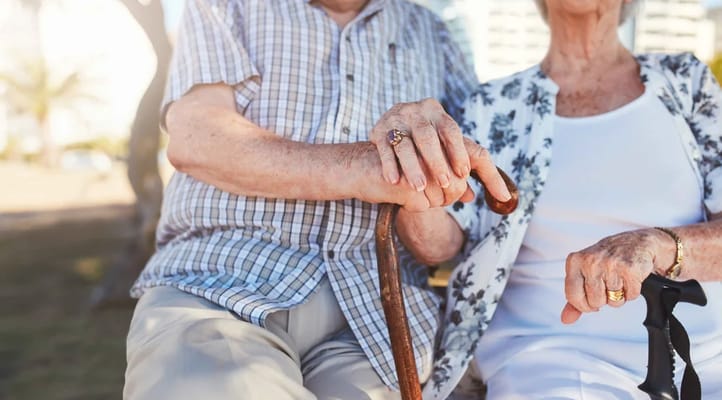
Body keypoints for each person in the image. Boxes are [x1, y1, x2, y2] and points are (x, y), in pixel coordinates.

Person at [122, 1, 512, 399]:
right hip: (221, 285)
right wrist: (363, 168)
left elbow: (443, 246)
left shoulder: (435, 33)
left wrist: (419, 181)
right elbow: (196, 139)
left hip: (376, 321)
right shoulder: (226, 6)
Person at [397, 0, 722, 398]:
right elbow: (440, 245)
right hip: (550, 359)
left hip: (706, 357)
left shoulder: (685, 81)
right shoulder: (494, 105)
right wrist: (411, 172)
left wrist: (658, 245)